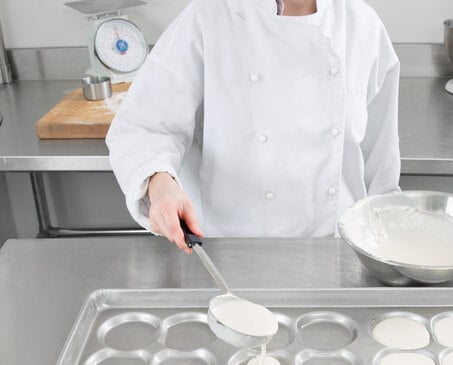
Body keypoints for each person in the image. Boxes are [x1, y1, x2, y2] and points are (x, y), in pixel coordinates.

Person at [106, 0, 400, 253]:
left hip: (338, 252)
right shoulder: (211, 16)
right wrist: (160, 185)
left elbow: (380, 166)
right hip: (232, 254)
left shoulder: (363, 26)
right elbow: (144, 126)